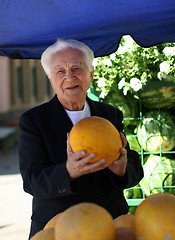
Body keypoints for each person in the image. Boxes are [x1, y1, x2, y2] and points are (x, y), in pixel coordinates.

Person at [18, 39, 144, 239]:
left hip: (109, 225)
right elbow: (32, 181)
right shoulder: (33, 121)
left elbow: (136, 167)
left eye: (77, 68)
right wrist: (68, 172)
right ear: (51, 79)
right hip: (59, 229)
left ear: (91, 75)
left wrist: (122, 170)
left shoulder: (110, 115)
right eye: (59, 71)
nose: (69, 77)